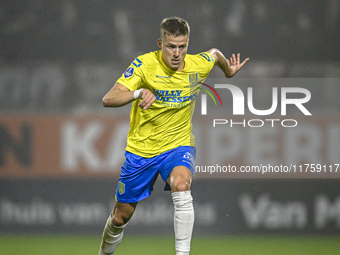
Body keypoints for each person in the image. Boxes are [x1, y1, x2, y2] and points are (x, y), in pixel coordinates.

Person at [98, 16, 249, 255]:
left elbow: (215, 53)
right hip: (142, 151)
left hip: (178, 146)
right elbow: (109, 99)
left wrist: (228, 71)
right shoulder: (144, 65)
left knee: (181, 184)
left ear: (188, 45)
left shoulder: (197, 65)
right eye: (171, 46)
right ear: (160, 43)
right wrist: (138, 92)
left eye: (182, 46)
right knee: (120, 218)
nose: (177, 53)